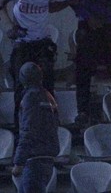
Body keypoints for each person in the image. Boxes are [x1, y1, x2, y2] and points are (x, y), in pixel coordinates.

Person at [0, 0, 75, 119]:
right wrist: (9, 27)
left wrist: (69, 2)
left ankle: (51, 122)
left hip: (41, 41)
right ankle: (20, 126)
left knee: (47, 83)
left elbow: (51, 7)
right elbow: (1, 3)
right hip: (22, 42)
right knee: (21, 85)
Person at [12, 62, 60, 193]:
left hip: (33, 159)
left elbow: (28, 130)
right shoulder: (48, 96)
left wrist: (18, 162)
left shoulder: (30, 98)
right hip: (47, 156)